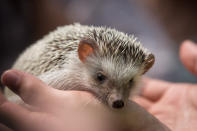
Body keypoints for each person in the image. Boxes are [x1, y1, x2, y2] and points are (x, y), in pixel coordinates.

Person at [0, 40, 196, 131]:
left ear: (144, 70)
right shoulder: (66, 74)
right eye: (101, 78)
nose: (118, 97)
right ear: (84, 55)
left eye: (128, 83)